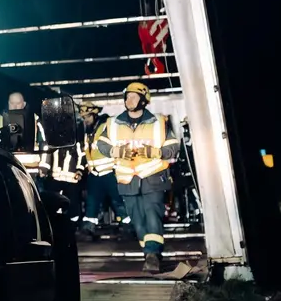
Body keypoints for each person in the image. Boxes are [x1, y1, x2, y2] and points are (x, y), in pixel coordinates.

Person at [97, 81, 182, 273]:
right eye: (127, 97)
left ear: (144, 100)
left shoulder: (158, 122)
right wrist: (115, 151)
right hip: (127, 180)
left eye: (134, 96)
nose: (129, 100)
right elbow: (101, 145)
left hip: (153, 176)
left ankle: (153, 254)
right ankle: (148, 252)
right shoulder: (113, 123)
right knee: (137, 219)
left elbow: (173, 146)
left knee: (153, 214)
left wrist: (156, 152)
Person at [80, 101, 129, 236]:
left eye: (88, 117)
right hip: (95, 173)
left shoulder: (106, 127)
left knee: (117, 199)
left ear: (95, 115)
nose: (86, 120)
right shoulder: (88, 131)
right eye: (84, 117)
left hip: (110, 171)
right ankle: (89, 226)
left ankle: (128, 225)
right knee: (92, 200)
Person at [42, 97, 86, 222]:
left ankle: (73, 225)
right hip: (55, 177)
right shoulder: (52, 137)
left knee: (73, 203)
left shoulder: (75, 138)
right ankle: (57, 223)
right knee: (55, 202)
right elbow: (47, 152)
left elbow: (81, 155)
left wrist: (79, 170)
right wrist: (44, 167)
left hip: (71, 179)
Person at [0, 90, 44, 177]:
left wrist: (44, 166)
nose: (15, 106)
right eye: (12, 103)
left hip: (30, 171)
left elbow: (44, 143)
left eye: (18, 103)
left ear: (24, 104)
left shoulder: (35, 119)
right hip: (6, 169)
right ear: (8, 103)